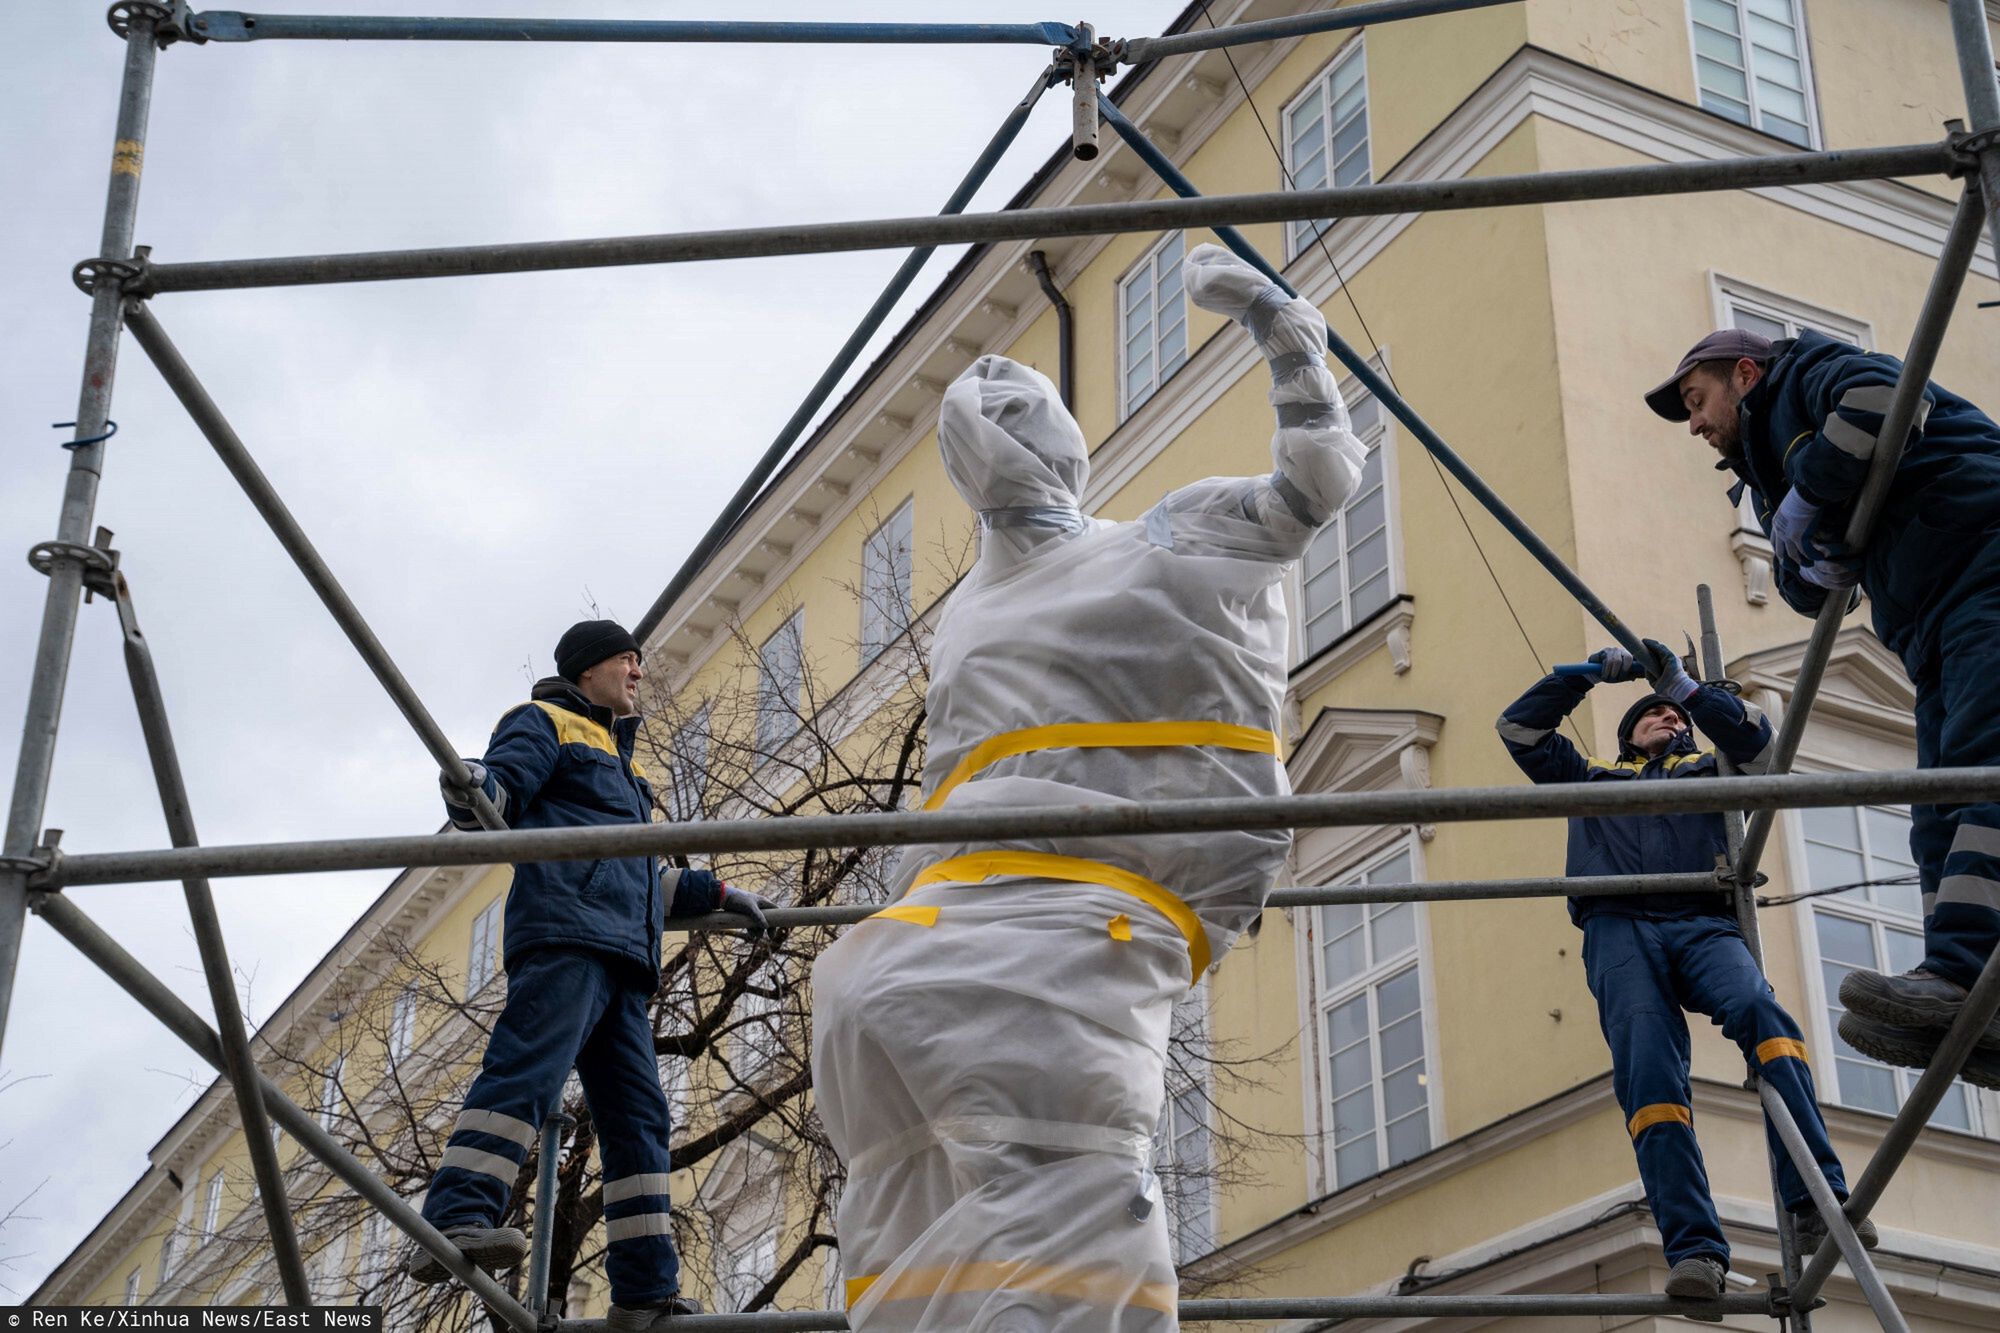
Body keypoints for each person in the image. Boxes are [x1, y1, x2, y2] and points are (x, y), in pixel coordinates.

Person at [810, 244, 1366, 1331]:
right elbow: (1311, 487)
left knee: (934, 1232)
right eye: (993, 418)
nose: (1007, 425)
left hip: (923, 957)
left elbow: (1311, 484)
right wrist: (1281, 332)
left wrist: (1286, 335)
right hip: (1041, 947)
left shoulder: (1115, 557)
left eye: (1020, 412)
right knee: (1057, 1225)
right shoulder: (999, 604)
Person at [1648, 330, 2000, 1089]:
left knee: (1983, 770)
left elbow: (1886, 399)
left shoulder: (1808, 374)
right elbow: (1805, 588)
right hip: (1932, 618)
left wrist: (1814, 493)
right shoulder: (1763, 472)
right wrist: (1809, 542)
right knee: (1937, 803)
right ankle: (1965, 986)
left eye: (1697, 400)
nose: (1695, 424)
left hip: (1986, 568)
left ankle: (1968, 973)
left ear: (1745, 375)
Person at [409, 618, 773, 1330]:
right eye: (625, 659)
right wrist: (474, 786)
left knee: (641, 1119)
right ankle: (455, 1216)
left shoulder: (626, 767)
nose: (638, 671)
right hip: (567, 931)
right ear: (587, 670)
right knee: (527, 1071)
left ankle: (644, 1288)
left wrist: (721, 897)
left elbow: (643, 879)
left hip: (624, 964)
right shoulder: (542, 721)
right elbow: (495, 799)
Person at [1498, 643, 1873, 1308]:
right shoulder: (1591, 781)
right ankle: (1696, 1248)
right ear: (1629, 733)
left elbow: (1764, 750)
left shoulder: (1712, 768)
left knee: (1763, 1015)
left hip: (1703, 918)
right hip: (1619, 927)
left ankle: (1815, 1198)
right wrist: (1587, 675)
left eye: (1676, 713)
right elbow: (1519, 728)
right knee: (1650, 1075)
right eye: (1654, 711)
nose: (1668, 716)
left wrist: (1693, 689)